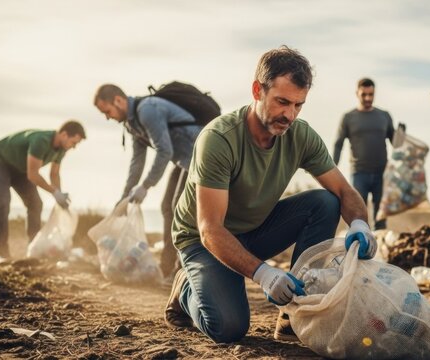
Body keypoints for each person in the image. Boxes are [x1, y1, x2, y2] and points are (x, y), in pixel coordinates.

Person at [164, 46, 377, 344]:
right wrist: (264, 274)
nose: (289, 115)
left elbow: (344, 191)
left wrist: (360, 225)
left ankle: (293, 316)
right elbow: (209, 229)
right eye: (281, 102)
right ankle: (186, 290)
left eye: (298, 105)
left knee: (326, 202)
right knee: (228, 328)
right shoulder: (218, 140)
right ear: (257, 90)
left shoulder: (300, 135)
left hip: (254, 230)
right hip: (204, 242)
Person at [93, 84, 202, 278]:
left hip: (202, 155)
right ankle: (168, 269)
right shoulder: (132, 124)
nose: (107, 117)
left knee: (180, 207)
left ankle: (183, 272)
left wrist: (145, 186)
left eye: (107, 111)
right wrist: (125, 197)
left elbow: (164, 150)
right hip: (183, 160)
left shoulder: (148, 110)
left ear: (118, 100)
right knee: (167, 207)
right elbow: (137, 162)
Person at [0, 120, 86, 263]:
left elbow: (54, 174)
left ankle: (34, 248)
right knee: (3, 202)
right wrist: (54, 192)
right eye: (74, 142)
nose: (74, 147)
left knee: (36, 204)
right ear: (64, 134)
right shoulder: (41, 141)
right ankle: (2, 252)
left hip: (20, 170)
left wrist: (59, 195)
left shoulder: (62, 150)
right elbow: (33, 175)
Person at [333, 78, 395, 230]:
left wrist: (402, 136)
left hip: (382, 172)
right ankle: (360, 246)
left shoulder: (384, 116)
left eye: (371, 94)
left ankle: (379, 249)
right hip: (359, 173)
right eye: (364, 95)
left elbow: (396, 143)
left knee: (381, 215)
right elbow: (338, 144)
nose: (368, 98)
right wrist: (332, 169)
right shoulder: (348, 117)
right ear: (357, 94)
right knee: (358, 214)